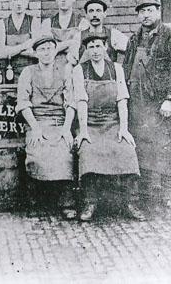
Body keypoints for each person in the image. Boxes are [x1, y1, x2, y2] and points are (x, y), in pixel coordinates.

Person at [73, 33, 143, 221]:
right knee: (88, 151)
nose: (95, 51)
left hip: (113, 124)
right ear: (86, 50)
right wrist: (84, 131)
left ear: (105, 47)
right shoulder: (80, 70)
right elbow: (81, 101)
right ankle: (90, 203)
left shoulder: (117, 69)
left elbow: (122, 100)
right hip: (90, 124)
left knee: (127, 150)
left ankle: (131, 202)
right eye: (91, 47)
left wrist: (124, 129)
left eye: (98, 46)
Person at [16, 36, 76, 219]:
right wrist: (35, 128)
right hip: (38, 122)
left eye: (50, 48)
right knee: (38, 151)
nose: (46, 52)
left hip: (59, 123)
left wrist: (66, 129)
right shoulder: (28, 72)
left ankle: (67, 202)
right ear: (36, 53)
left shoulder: (65, 71)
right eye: (42, 49)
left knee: (65, 152)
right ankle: (36, 200)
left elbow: (71, 103)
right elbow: (23, 103)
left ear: (55, 51)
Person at [123, 0, 171, 208]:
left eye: (149, 11)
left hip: (158, 102)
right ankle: (145, 195)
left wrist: (169, 99)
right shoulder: (134, 39)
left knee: (160, 146)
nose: (145, 15)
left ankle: (163, 194)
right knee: (140, 145)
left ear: (158, 11)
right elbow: (126, 68)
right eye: (141, 12)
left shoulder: (168, 35)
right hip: (136, 100)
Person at [0, 0, 40, 80]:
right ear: (10, 2)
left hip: (31, 74)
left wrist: (9, 50)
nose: (19, 3)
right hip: (8, 74)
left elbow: (38, 53)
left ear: (27, 2)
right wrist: (24, 46)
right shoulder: (1, 24)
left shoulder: (34, 22)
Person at [42, 0, 86, 67]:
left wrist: (57, 47)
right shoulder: (47, 23)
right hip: (52, 67)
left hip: (75, 66)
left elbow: (81, 49)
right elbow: (47, 50)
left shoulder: (82, 23)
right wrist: (71, 43)